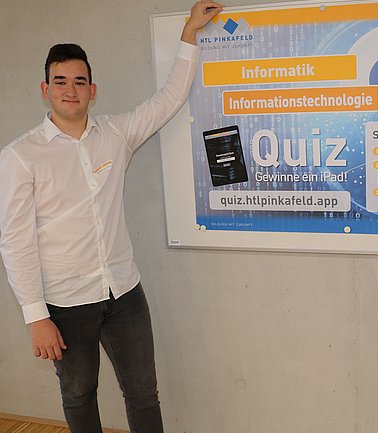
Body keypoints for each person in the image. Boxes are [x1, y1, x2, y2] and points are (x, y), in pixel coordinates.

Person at [0, 2, 223, 432]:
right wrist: (35, 315)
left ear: (92, 90)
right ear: (45, 89)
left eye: (79, 81)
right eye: (60, 81)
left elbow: (169, 99)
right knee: (78, 395)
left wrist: (189, 34)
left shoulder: (116, 134)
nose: (70, 89)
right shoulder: (20, 156)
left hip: (124, 293)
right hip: (65, 303)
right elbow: (15, 241)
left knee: (143, 394)